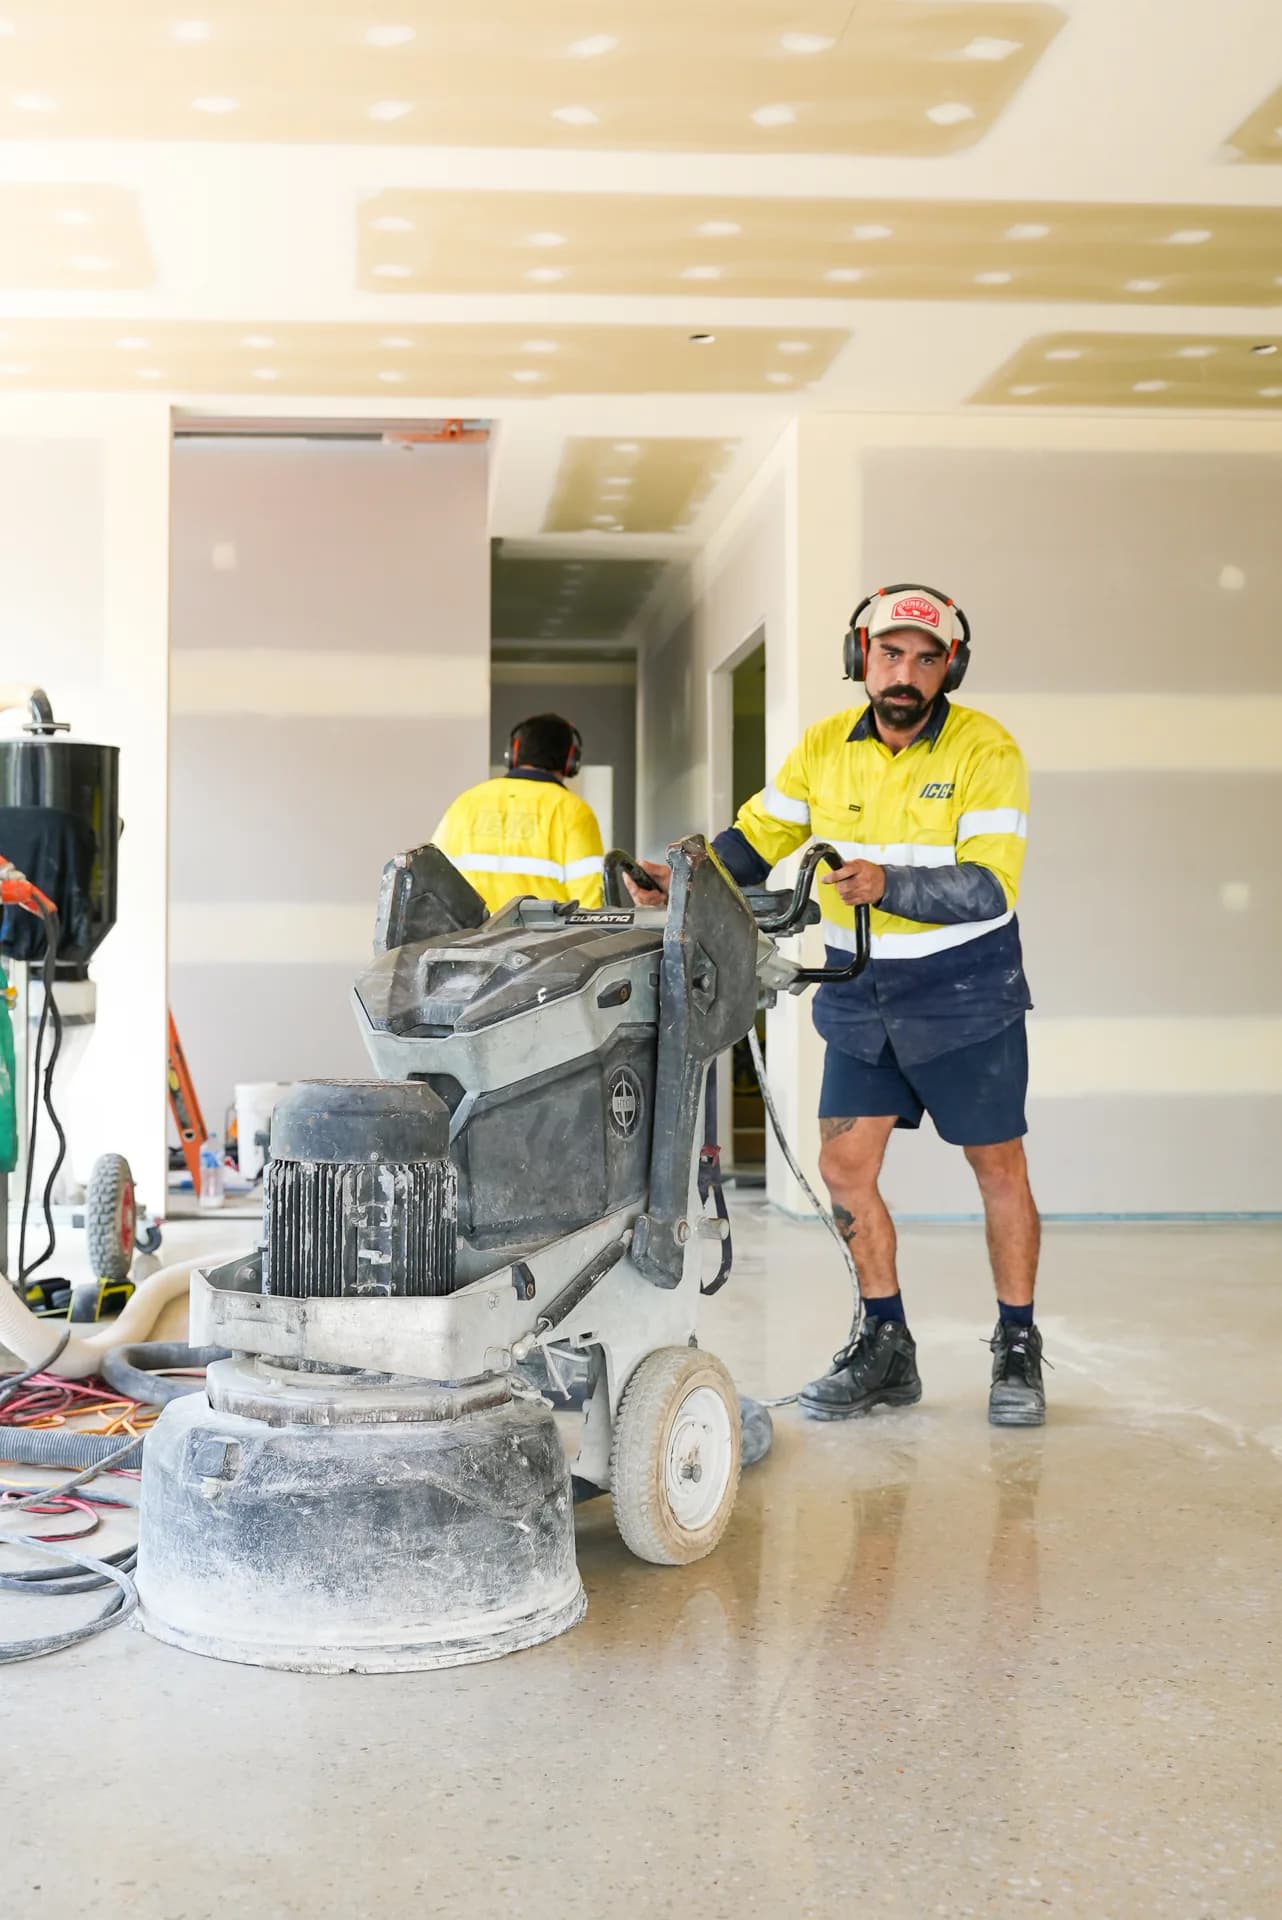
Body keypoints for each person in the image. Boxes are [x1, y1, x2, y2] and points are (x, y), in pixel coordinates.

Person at [626, 584, 1046, 1427]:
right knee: (845, 1168)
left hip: (966, 995)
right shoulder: (823, 748)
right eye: (890, 654)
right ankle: (887, 1344)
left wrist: (891, 884)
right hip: (861, 995)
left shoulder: (986, 749)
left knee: (997, 1168)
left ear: (951, 668)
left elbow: (990, 884)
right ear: (861, 656)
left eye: (926, 659)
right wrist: (687, 881)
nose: (906, 674)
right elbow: (757, 840)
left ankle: (1017, 1344)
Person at [434, 713, 605, 913]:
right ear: (571, 761)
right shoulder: (573, 811)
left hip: (469, 933)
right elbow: (590, 907)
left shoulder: (466, 803)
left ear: (513, 753)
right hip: (544, 934)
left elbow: (432, 881)